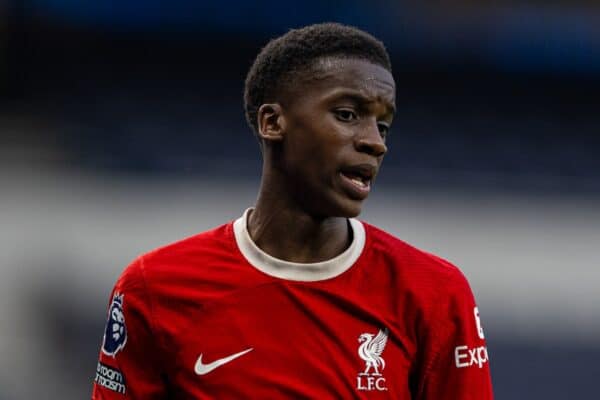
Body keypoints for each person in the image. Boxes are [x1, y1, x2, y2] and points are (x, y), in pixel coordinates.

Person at [92, 22, 494, 399]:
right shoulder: (155, 288)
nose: (375, 142)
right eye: (348, 115)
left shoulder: (434, 294)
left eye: (383, 126)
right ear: (273, 122)